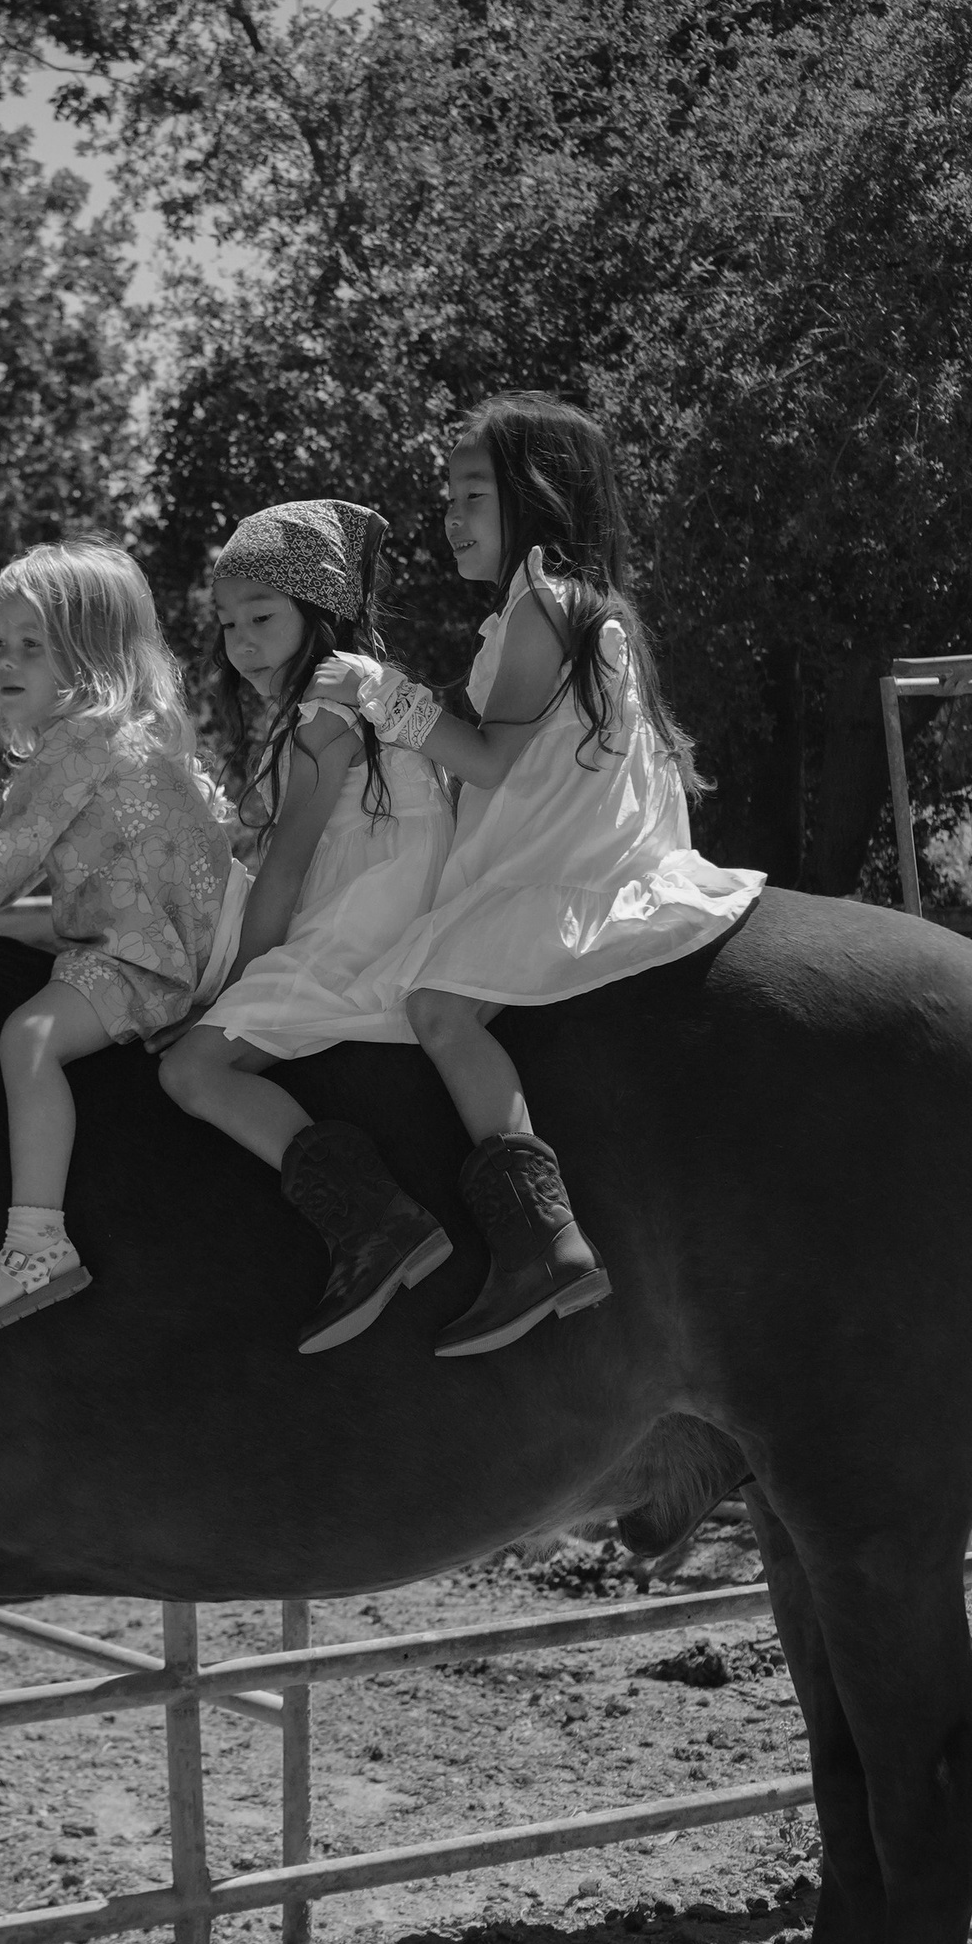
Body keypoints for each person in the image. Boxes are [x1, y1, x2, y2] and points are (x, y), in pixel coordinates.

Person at [313, 394, 762, 1358]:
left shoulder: (539, 607)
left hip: (567, 872)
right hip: (567, 852)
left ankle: (541, 1236)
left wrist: (376, 690)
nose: (451, 515)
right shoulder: (563, 608)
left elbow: (491, 762)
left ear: (538, 499)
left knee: (436, 1006)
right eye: (447, 494)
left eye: (474, 493)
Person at [0, 541, 232, 1348]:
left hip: (151, 956)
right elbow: (24, 868)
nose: (6, 661)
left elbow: (6, 854)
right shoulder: (121, 736)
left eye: (33, 644)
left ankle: (36, 1244)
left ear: (90, 655)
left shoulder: (81, 742)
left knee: (28, 1038)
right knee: (12, 946)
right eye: (0, 642)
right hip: (145, 930)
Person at [157, 497, 457, 1352]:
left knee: (192, 1067)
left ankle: (373, 1217)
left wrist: (238, 982)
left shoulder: (325, 715)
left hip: (368, 913)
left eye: (263, 617)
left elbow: (287, 865)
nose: (240, 641)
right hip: (384, 893)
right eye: (227, 623)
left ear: (318, 615)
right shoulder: (344, 697)